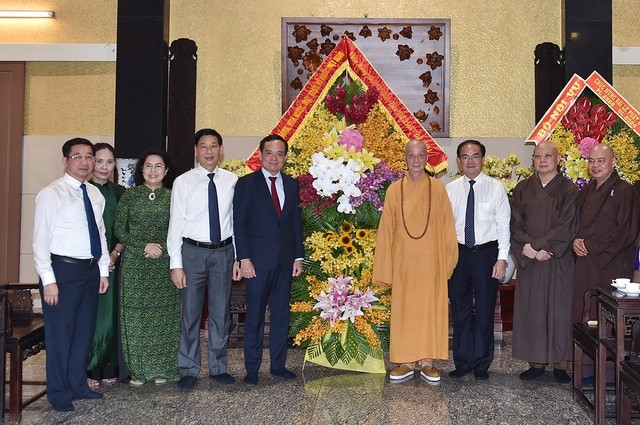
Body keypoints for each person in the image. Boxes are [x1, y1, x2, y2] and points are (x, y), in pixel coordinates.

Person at [32, 137, 109, 412]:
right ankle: (59, 391)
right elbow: (40, 240)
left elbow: (99, 234)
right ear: (65, 160)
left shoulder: (95, 194)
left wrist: (102, 270)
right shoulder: (51, 194)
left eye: (89, 156)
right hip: (62, 271)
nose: (85, 162)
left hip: (89, 271)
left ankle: (78, 384)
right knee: (60, 334)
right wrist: (49, 280)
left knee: (83, 333)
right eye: (77, 156)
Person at [372, 140, 458, 383]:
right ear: (405, 158)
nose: (417, 160)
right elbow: (386, 230)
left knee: (429, 310)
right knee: (406, 312)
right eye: (412, 155)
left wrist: (448, 260)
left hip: (432, 262)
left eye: (421, 155)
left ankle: (428, 361)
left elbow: (447, 227)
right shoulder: (394, 190)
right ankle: (406, 361)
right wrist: (386, 267)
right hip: (404, 264)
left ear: (426, 158)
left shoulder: (438, 189)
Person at [168, 129, 240, 390]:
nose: (209, 151)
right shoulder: (183, 182)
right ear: (196, 151)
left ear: (221, 150)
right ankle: (188, 367)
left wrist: (238, 258)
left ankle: (218, 367)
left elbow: (236, 222)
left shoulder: (233, 181)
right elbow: (175, 223)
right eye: (203, 146)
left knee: (221, 313)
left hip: (223, 252)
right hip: (192, 253)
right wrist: (176, 263)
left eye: (213, 146)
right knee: (190, 313)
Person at [233, 134, 304, 385]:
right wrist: (244, 258)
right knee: (254, 316)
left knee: (281, 315)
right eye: (269, 153)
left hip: (285, 262)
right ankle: (252, 369)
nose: (274, 158)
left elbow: (295, 224)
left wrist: (298, 257)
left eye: (279, 153)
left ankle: (278, 365)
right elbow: (239, 224)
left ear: (285, 157)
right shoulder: (246, 184)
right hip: (257, 263)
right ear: (261, 155)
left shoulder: (293, 185)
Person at [510, 141, 579, 383]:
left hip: (558, 261)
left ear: (558, 159)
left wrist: (537, 246)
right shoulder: (522, 188)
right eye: (538, 156)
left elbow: (568, 225)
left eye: (547, 155)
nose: (542, 160)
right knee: (533, 310)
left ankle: (561, 365)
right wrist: (528, 249)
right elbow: (514, 224)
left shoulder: (570, 190)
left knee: (559, 311)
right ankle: (535, 363)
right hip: (531, 261)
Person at [446, 139, 510, 380]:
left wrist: (502, 259)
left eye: (475, 156)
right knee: (460, 311)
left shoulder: (495, 188)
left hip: (486, 255)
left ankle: (482, 363)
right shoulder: (450, 189)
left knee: (484, 311)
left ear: (483, 158)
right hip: (458, 255)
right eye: (465, 156)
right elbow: (444, 228)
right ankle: (463, 362)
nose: (470, 161)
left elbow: (504, 225)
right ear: (459, 161)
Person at [115, 149, 180, 385]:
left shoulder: (174, 196)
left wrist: (160, 246)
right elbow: (119, 229)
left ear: (166, 171)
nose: (153, 170)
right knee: (136, 317)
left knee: (165, 316)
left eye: (158, 166)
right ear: (141, 170)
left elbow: (181, 228)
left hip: (165, 263)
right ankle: (139, 370)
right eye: (148, 166)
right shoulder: (130, 197)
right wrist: (144, 245)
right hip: (135, 263)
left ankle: (163, 368)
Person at [572, 143, 640, 323]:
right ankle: (584, 352)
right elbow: (575, 222)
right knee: (584, 312)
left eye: (601, 161)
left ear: (613, 162)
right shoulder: (586, 191)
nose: (595, 166)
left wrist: (590, 245)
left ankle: (609, 352)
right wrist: (575, 241)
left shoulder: (625, 191)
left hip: (612, 264)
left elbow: (627, 231)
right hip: (586, 263)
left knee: (607, 317)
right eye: (591, 161)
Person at [86, 143, 126, 388]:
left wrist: (114, 254)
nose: (103, 167)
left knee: (111, 315)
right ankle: (89, 366)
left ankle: (110, 365)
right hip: (88, 263)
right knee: (91, 315)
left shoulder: (120, 193)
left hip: (114, 262)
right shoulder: (82, 190)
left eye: (109, 162)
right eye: (99, 161)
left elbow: (125, 229)